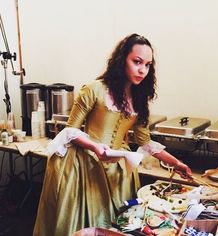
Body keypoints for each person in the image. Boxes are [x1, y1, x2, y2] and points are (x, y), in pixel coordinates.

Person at [33, 33, 192, 236]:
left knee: (118, 225)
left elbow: (145, 142)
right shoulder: (94, 89)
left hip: (118, 168)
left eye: (148, 64)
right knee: (86, 225)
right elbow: (69, 131)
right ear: (122, 60)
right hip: (85, 164)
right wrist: (94, 146)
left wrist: (176, 163)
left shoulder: (140, 100)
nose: (142, 69)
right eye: (137, 62)